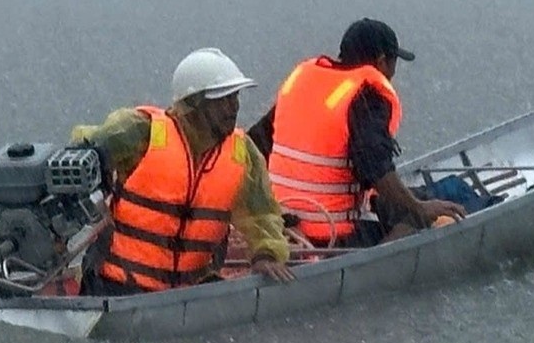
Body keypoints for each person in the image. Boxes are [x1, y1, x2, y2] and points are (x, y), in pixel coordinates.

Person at [70, 48, 296, 294]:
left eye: (235, 97)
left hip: (190, 293)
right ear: (193, 105)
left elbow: (262, 214)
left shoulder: (242, 153)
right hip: (115, 287)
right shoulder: (139, 131)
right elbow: (78, 158)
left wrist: (266, 254)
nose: (234, 107)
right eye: (223, 100)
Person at [249, 18, 465, 246]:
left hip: (282, 223)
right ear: (382, 62)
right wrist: (420, 207)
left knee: (388, 200)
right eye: (393, 63)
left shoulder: (303, 81)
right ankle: (380, 263)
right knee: (415, 212)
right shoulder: (367, 95)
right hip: (331, 236)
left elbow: (255, 144)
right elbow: (376, 168)